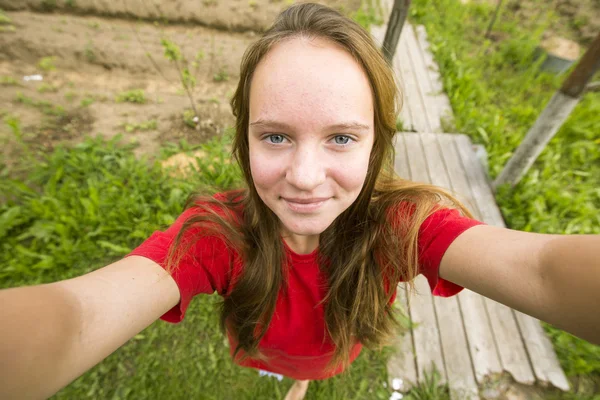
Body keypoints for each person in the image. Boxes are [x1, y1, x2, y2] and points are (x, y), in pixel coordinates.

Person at [1, 3, 599, 399]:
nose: (306, 178)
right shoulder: (216, 235)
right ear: (244, 140)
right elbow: (75, 318)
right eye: (276, 136)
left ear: (375, 145)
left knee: (315, 369)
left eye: (341, 137)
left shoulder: (401, 225)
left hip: (336, 348)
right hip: (260, 344)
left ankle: (303, 382)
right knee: (275, 361)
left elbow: (541, 271)